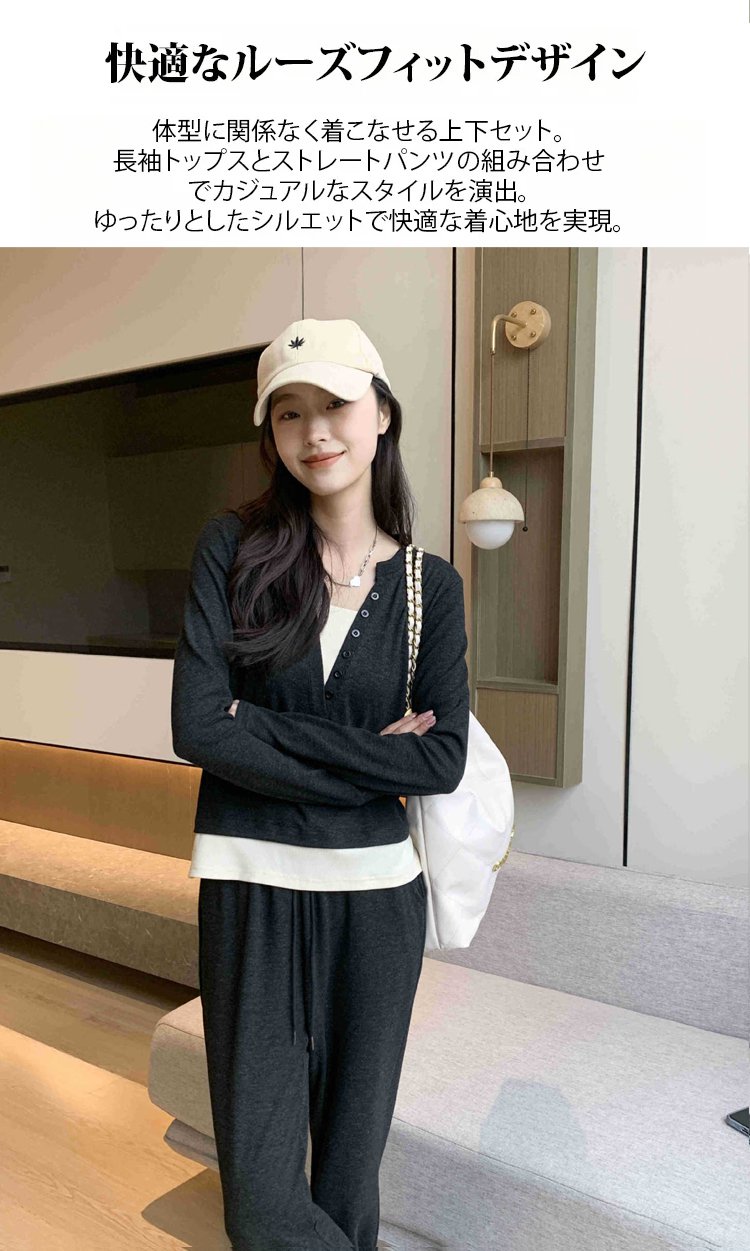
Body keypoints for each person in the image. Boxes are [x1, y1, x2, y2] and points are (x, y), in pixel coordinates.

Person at [171, 317, 470, 1251]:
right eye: (289, 413)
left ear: (381, 413)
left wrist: (258, 727)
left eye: (335, 403)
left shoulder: (429, 587)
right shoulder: (233, 550)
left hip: (377, 905)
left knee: (348, 1175)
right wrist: (366, 761)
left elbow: (441, 759)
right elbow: (196, 728)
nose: (315, 431)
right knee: (261, 1198)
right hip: (249, 889)